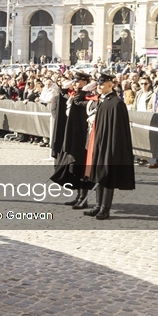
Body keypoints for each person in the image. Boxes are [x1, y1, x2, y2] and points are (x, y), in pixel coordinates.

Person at [82, 73, 135, 220]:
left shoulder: (117, 103)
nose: (99, 86)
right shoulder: (102, 101)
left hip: (110, 145)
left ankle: (105, 208)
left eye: (102, 84)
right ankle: (98, 206)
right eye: (98, 83)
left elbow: (118, 130)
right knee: (98, 175)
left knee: (107, 176)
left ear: (110, 85)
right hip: (99, 143)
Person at [51, 74, 96, 209]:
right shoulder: (75, 94)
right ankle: (78, 196)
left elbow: (77, 102)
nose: (75, 84)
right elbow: (62, 98)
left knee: (82, 168)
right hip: (72, 136)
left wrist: (83, 91)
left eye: (78, 81)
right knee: (75, 167)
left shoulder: (89, 97)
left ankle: (83, 198)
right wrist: (63, 89)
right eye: (74, 81)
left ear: (85, 82)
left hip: (83, 136)